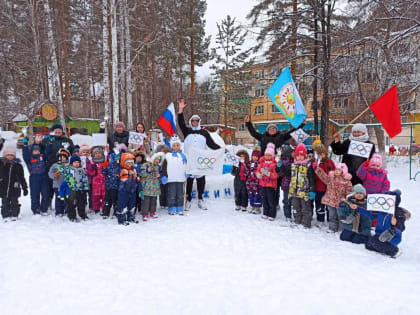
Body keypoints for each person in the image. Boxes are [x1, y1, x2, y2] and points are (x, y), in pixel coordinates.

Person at [178, 99, 221, 210]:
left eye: (197, 121)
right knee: (190, 180)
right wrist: (181, 109)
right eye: (193, 121)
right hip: (189, 160)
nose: (195, 123)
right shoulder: (187, 131)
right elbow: (180, 123)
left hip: (201, 160)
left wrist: (221, 149)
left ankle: (201, 198)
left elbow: (211, 144)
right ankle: (188, 199)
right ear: (191, 122)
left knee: (201, 179)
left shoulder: (204, 132)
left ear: (199, 122)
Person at [358, 190, 411, 258]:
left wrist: (394, 225)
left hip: (391, 237)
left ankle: (394, 251)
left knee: (374, 242)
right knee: (368, 245)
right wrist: (357, 209)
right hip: (379, 235)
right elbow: (371, 214)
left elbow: (401, 227)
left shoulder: (398, 213)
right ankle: (383, 248)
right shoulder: (382, 210)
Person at [283, 143, 316, 228]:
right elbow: (287, 173)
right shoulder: (293, 165)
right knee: (295, 207)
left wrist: (312, 190)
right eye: (298, 155)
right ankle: (297, 221)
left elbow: (312, 179)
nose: (300, 157)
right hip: (294, 191)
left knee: (305, 208)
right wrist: (281, 167)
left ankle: (306, 223)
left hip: (305, 191)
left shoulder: (308, 165)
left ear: (305, 156)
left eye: (302, 155)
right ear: (295, 156)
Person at [314, 162, 353, 233]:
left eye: (339, 170)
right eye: (336, 169)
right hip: (330, 200)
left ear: (343, 172)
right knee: (332, 216)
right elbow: (323, 177)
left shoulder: (347, 182)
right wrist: (317, 169)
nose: (336, 171)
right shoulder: (331, 178)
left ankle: (342, 230)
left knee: (340, 216)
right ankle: (332, 228)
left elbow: (349, 192)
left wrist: (347, 201)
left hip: (341, 203)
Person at [161, 135, 188, 215]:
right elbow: (164, 167)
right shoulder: (168, 156)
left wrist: (187, 172)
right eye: (174, 145)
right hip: (171, 179)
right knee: (171, 194)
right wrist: (165, 175)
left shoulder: (183, 155)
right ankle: (172, 207)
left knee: (180, 194)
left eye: (177, 145)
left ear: (180, 146)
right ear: (171, 146)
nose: (176, 147)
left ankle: (180, 207)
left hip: (181, 178)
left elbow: (187, 165)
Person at [0, 146, 28, 221]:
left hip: (15, 188)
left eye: (12, 155)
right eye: (8, 155)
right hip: (3, 187)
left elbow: (22, 177)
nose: (10, 157)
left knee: (14, 202)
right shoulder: (1, 164)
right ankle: (5, 215)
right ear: (4, 155)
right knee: (5, 203)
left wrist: (25, 188)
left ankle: (14, 215)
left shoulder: (18, 166)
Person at [59, 154, 89, 222]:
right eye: (75, 162)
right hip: (71, 189)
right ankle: (72, 216)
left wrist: (86, 188)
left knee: (81, 203)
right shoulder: (69, 170)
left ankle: (82, 214)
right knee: (71, 203)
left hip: (80, 190)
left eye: (78, 162)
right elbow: (61, 170)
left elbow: (85, 179)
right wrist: (63, 165)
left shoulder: (82, 170)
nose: (76, 164)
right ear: (71, 163)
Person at [22, 144, 50, 215]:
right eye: (35, 150)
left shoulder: (42, 157)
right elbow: (25, 155)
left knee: (45, 193)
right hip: (34, 178)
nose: (37, 152)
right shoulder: (29, 159)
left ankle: (44, 209)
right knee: (34, 194)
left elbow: (47, 152)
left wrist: (49, 144)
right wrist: (25, 146)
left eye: (38, 150)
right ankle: (36, 209)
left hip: (43, 177)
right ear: (32, 151)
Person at [313, 144, 335, 223]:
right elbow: (314, 176)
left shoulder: (329, 162)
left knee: (328, 205)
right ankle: (320, 219)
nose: (320, 156)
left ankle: (330, 219)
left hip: (328, 188)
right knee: (319, 204)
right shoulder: (316, 162)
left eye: (321, 154)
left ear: (325, 153)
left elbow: (333, 173)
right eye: (318, 154)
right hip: (319, 188)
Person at [256, 143, 279, 221]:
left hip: (271, 185)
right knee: (264, 199)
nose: (267, 156)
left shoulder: (274, 164)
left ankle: (272, 214)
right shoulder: (261, 163)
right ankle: (265, 213)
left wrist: (269, 174)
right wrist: (259, 175)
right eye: (266, 155)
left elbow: (276, 175)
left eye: (269, 155)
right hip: (263, 184)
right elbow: (257, 171)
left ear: (272, 156)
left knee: (271, 200)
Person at [102, 144, 124, 219]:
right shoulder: (108, 165)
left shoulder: (119, 166)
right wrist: (104, 167)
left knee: (115, 200)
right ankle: (106, 212)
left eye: (112, 158)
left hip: (115, 186)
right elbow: (104, 173)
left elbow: (121, 174)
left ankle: (115, 212)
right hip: (108, 185)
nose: (111, 159)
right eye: (110, 158)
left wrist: (119, 175)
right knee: (107, 200)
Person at [140, 152, 164, 221]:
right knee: (146, 201)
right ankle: (145, 213)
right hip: (147, 186)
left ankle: (152, 212)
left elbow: (161, 174)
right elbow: (142, 174)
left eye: (158, 160)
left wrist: (160, 175)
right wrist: (147, 171)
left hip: (155, 187)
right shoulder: (146, 165)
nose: (157, 161)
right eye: (156, 159)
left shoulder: (158, 167)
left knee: (154, 200)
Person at [116, 152, 139, 225]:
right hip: (124, 191)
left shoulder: (134, 170)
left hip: (133, 191)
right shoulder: (121, 170)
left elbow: (136, 180)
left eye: (131, 163)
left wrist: (138, 180)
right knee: (122, 205)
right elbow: (120, 179)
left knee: (132, 204)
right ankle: (122, 219)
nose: (130, 164)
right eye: (128, 163)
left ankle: (131, 217)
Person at [276, 140, 296, 221]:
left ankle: (293, 216)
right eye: (293, 152)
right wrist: (279, 166)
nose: (294, 153)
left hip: (294, 184)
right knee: (287, 201)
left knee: (293, 202)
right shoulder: (285, 161)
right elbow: (281, 173)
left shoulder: (295, 161)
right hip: (287, 184)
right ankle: (288, 216)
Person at [48, 148, 70, 216]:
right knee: (59, 199)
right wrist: (54, 175)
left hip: (67, 186)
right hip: (58, 185)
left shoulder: (69, 165)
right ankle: (59, 212)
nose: (62, 158)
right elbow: (50, 173)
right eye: (61, 157)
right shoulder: (55, 165)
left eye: (64, 157)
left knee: (67, 199)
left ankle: (67, 210)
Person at [87, 146, 107, 215]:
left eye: (99, 153)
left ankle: (104, 208)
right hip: (95, 184)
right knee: (95, 197)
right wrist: (93, 169)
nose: (98, 154)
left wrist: (105, 170)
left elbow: (107, 171)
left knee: (104, 197)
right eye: (96, 153)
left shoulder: (104, 162)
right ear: (93, 155)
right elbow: (90, 172)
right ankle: (96, 209)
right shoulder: (92, 163)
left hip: (103, 183)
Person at [243, 148, 262, 214]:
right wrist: (246, 169)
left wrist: (255, 174)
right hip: (250, 183)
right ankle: (252, 206)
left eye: (256, 156)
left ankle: (257, 208)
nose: (254, 157)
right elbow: (245, 172)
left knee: (257, 196)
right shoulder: (249, 163)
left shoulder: (259, 164)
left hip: (257, 183)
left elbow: (259, 172)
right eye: (253, 156)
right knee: (251, 195)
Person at [134, 150, 146, 215]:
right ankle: (135, 207)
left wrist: (141, 175)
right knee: (135, 197)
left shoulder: (143, 165)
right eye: (138, 157)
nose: (139, 159)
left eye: (140, 158)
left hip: (141, 184)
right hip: (135, 183)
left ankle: (140, 208)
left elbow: (144, 173)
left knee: (141, 196)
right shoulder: (133, 164)